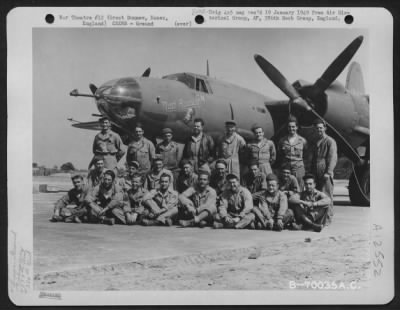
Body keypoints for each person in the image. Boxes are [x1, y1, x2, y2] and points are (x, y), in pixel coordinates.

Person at [310, 118, 338, 224]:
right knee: (317, 195)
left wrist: (328, 172)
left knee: (327, 195)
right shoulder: (315, 141)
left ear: (325, 128)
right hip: (315, 170)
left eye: (321, 128)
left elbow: (332, 158)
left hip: (324, 170)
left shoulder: (330, 141)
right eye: (317, 128)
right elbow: (312, 158)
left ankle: (328, 218)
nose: (319, 130)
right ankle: (319, 218)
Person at [277, 116, 308, 189]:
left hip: (298, 168)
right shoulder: (282, 141)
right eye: (289, 127)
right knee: (285, 187)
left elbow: (306, 154)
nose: (291, 129)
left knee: (299, 187)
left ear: (297, 127)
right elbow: (280, 153)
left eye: (293, 127)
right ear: (287, 128)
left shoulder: (302, 141)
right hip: (286, 168)